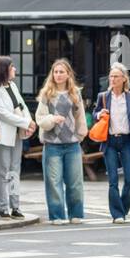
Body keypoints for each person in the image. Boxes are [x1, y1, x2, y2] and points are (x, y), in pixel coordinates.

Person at [92, 63, 130, 224]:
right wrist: (99, 114)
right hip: (109, 141)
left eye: (116, 76)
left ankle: (123, 207)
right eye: (111, 76)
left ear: (124, 79)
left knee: (129, 178)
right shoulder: (103, 96)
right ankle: (117, 213)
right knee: (113, 179)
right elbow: (95, 113)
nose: (113, 79)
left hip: (126, 141)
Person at [35, 58, 88, 224]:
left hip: (72, 144)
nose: (58, 75)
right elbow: (39, 118)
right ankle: (57, 215)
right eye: (55, 72)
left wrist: (80, 135)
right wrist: (52, 118)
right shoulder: (46, 94)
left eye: (61, 72)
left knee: (75, 182)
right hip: (52, 145)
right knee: (53, 183)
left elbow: (80, 118)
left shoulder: (75, 93)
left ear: (68, 74)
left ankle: (76, 214)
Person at [0, 55, 34, 219]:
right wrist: (26, 123)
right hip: (2, 136)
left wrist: (29, 121)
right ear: (3, 69)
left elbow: (22, 105)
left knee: (14, 171)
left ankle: (15, 206)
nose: (15, 70)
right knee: (3, 171)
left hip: (16, 135)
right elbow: (3, 114)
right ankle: (3, 207)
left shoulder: (12, 86)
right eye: (12, 67)